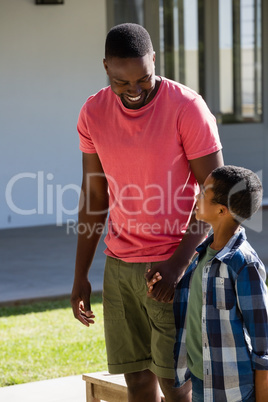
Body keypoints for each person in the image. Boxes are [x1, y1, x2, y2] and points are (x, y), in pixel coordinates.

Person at [71, 22, 223, 402]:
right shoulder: (92, 112)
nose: (135, 91)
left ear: (155, 60)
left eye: (144, 78)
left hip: (175, 265)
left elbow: (217, 191)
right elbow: (94, 195)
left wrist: (179, 264)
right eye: (123, 83)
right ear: (106, 67)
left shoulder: (187, 107)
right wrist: (80, 276)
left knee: (177, 384)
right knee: (137, 383)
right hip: (119, 269)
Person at [149, 166, 268, 401]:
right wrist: (161, 290)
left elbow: (263, 345)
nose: (196, 197)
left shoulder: (244, 264)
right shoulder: (202, 255)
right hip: (201, 381)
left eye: (204, 194)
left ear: (222, 210)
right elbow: (204, 302)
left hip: (234, 390)